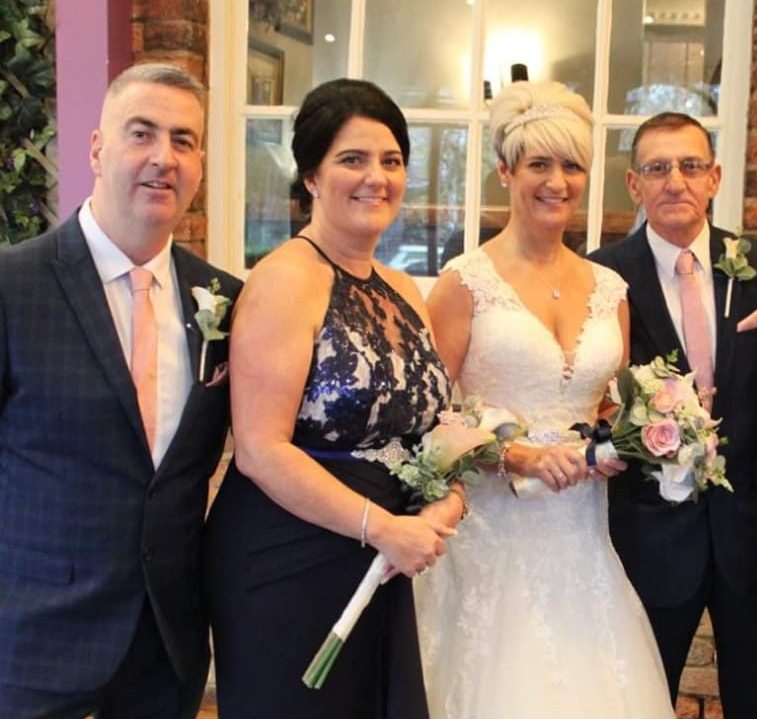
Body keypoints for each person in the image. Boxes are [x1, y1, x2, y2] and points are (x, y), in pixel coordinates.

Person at [414, 81, 675, 719]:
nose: (556, 181)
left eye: (572, 166)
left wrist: (623, 442)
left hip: (580, 535)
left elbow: (605, 404)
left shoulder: (609, 287)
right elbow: (427, 418)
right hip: (487, 538)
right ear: (505, 170)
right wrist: (517, 457)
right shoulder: (463, 283)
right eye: (539, 164)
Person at [204, 79, 456, 718]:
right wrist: (383, 528)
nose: (376, 177)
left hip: (382, 558)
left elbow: (429, 428)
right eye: (353, 159)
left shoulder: (403, 287)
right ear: (312, 176)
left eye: (391, 161)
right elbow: (261, 450)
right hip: (288, 559)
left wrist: (445, 498)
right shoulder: (284, 282)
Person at [0, 63, 241, 718]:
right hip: (33, 643)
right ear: (98, 148)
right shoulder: (12, 286)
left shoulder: (223, 302)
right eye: (142, 133)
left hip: (166, 648)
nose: (164, 157)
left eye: (184, 140)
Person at [590, 112, 757, 716]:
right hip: (649, 536)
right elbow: (595, 399)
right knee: (639, 701)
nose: (674, 181)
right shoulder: (603, 275)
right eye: (657, 168)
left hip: (750, 538)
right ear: (634, 184)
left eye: (689, 166)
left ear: (714, 177)